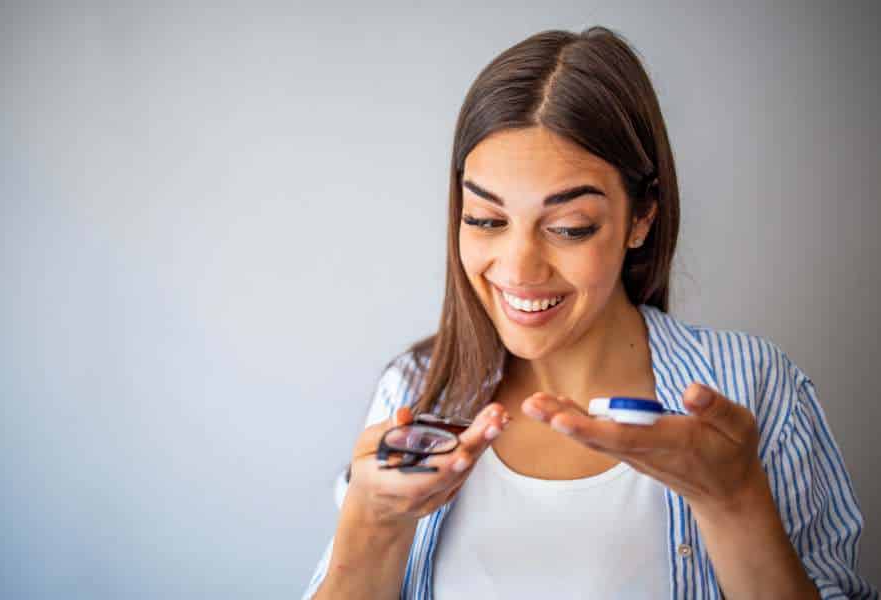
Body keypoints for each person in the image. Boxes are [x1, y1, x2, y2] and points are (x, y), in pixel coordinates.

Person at [302, 26, 877, 599]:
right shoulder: (414, 391)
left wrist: (735, 505)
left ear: (642, 217)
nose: (520, 269)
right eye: (486, 220)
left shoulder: (753, 387)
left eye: (569, 228)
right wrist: (369, 527)